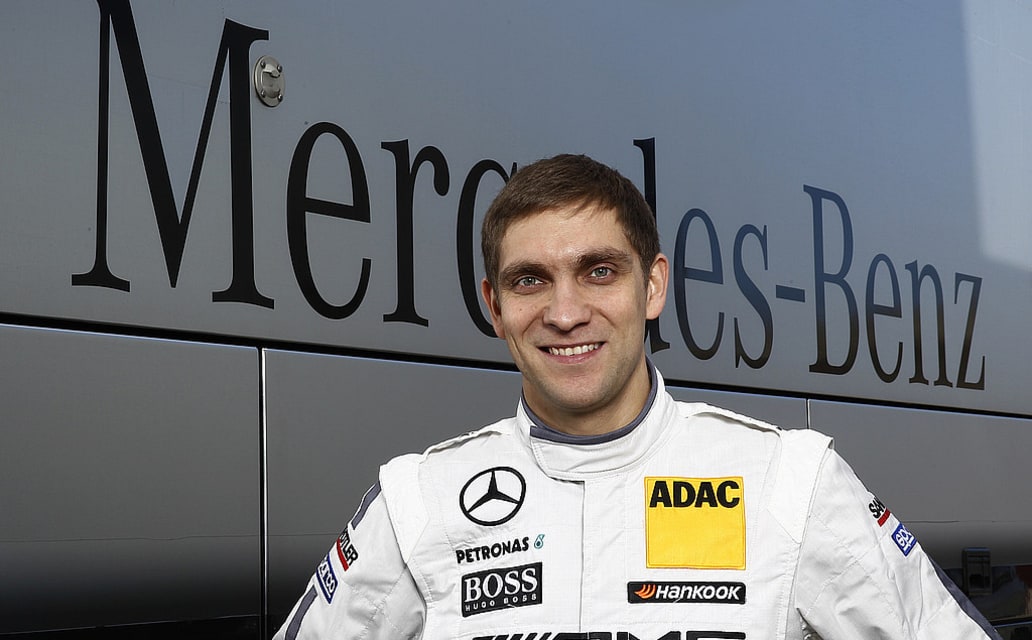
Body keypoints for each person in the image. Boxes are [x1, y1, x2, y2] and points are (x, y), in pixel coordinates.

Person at [274, 154, 1001, 639]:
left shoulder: (789, 480)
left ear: (652, 287)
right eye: (530, 280)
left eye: (599, 271)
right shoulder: (418, 499)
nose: (565, 313)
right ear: (495, 307)